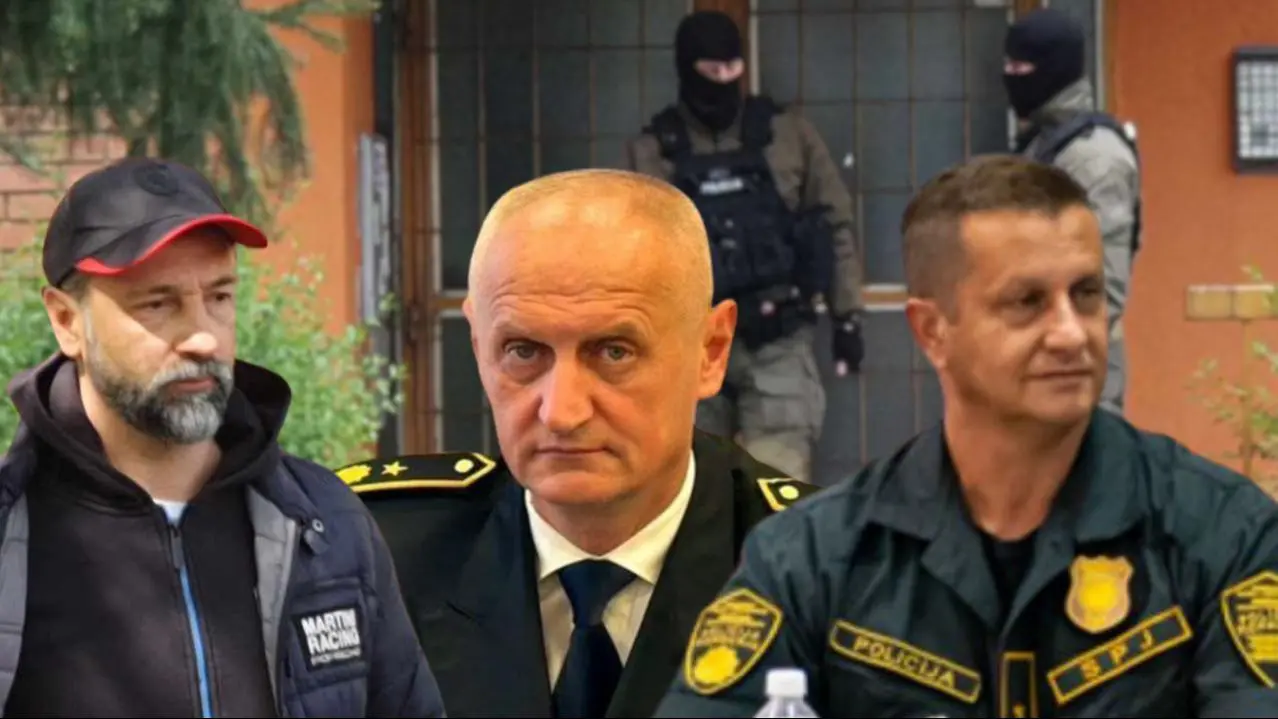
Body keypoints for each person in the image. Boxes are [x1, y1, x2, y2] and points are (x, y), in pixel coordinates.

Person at [655, 155, 1278, 718]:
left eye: (1086, 294)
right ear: (932, 332)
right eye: (1026, 302)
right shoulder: (814, 558)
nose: (1071, 333)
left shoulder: (1222, 535)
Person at [334, 168, 823, 719]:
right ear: (477, 344)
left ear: (711, 350)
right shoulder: (371, 556)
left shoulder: (828, 573)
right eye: (523, 351)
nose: (561, 412)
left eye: (614, 352)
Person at [0, 158, 444, 717]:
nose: (203, 339)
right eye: (158, 303)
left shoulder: (325, 524)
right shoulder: (14, 532)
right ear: (67, 322)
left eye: (219, 297)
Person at [626, 10, 865, 483]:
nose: (723, 80)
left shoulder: (788, 135)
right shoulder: (653, 150)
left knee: (777, 485)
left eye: (732, 68)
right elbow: (636, 251)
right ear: (687, 68)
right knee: (692, 487)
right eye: (711, 70)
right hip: (691, 339)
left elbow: (834, 222)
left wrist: (848, 316)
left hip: (777, 339)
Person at [1005, 7, 1141, 416]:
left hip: (1076, 370)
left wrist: (1053, 342)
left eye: (1022, 67)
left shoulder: (1094, 159)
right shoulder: (1043, 145)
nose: (1011, 76)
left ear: (1055, 68)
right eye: (1009, 66)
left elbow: (1103, 284)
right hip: (1039, 364)